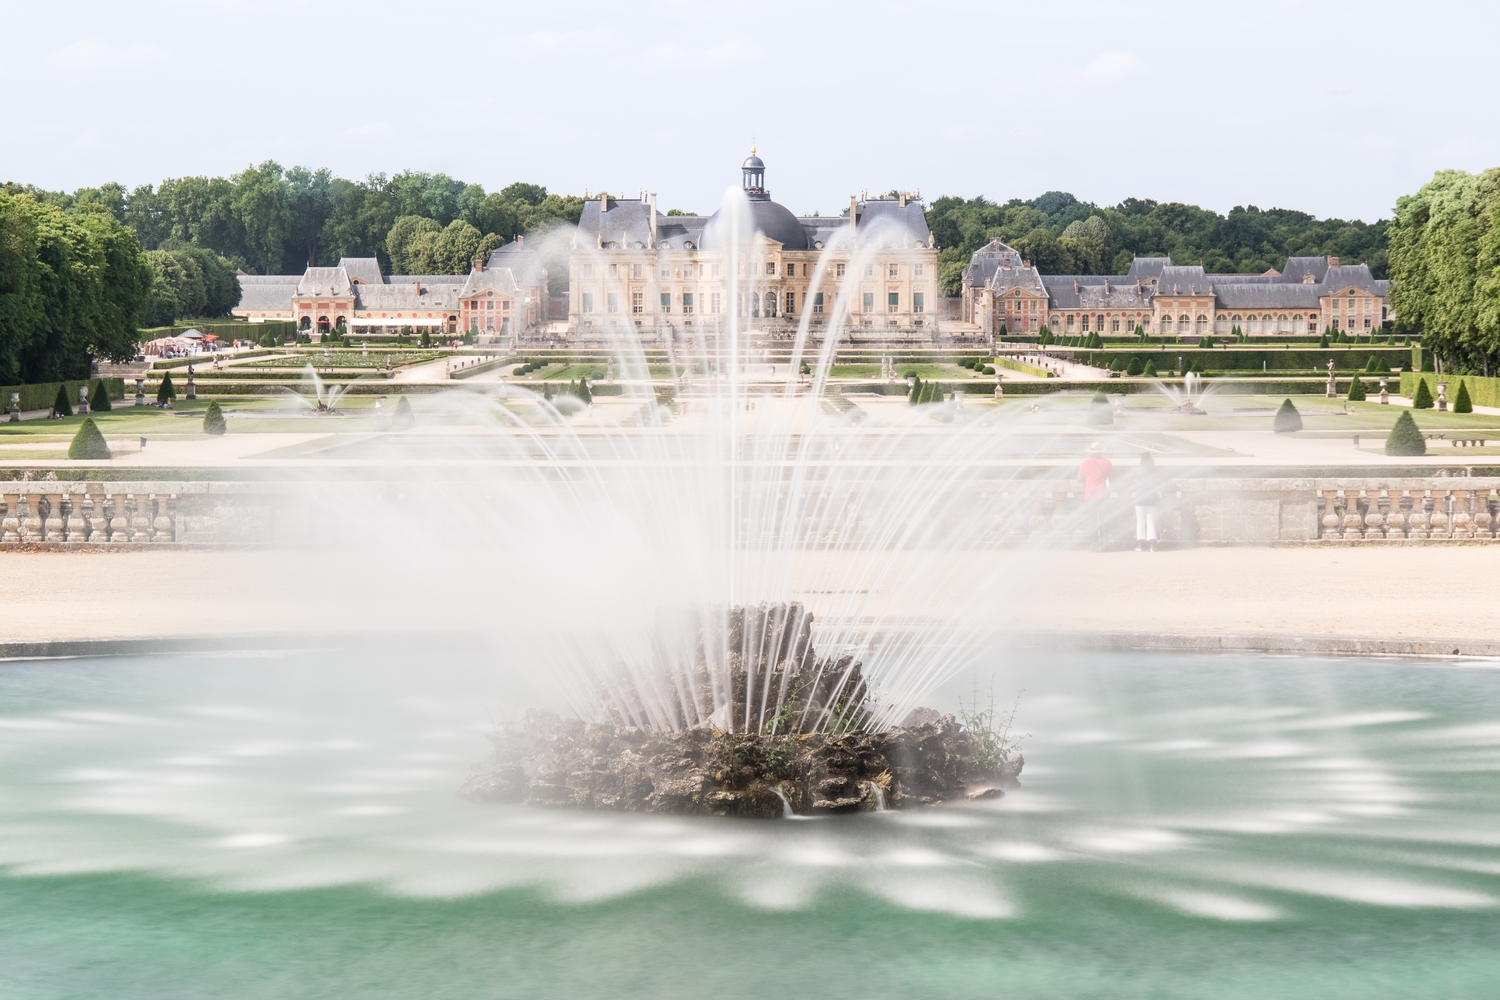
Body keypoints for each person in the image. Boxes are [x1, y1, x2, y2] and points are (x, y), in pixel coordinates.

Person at [1078, 441, 1114, 551]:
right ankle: (1104, 545)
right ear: (1101, 452)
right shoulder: (1107, 463)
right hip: (1103, 495)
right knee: (1104, 521)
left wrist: (1086, 483)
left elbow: (1079, 478)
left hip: (1090, 495)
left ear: (1090, 452)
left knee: (1092, 521)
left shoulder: (1085, 463)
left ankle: (1094, 546)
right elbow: (1112, 479)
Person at [1133, 451, 1162, 552]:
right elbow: (1163, 479)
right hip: (1152, 497)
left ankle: (1140, 545)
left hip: (1140, 497)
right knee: (1150, 520)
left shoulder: (1138, 470)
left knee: (1140, 520)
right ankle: (1152, 545)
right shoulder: (1155, 470)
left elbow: (1126, 478)